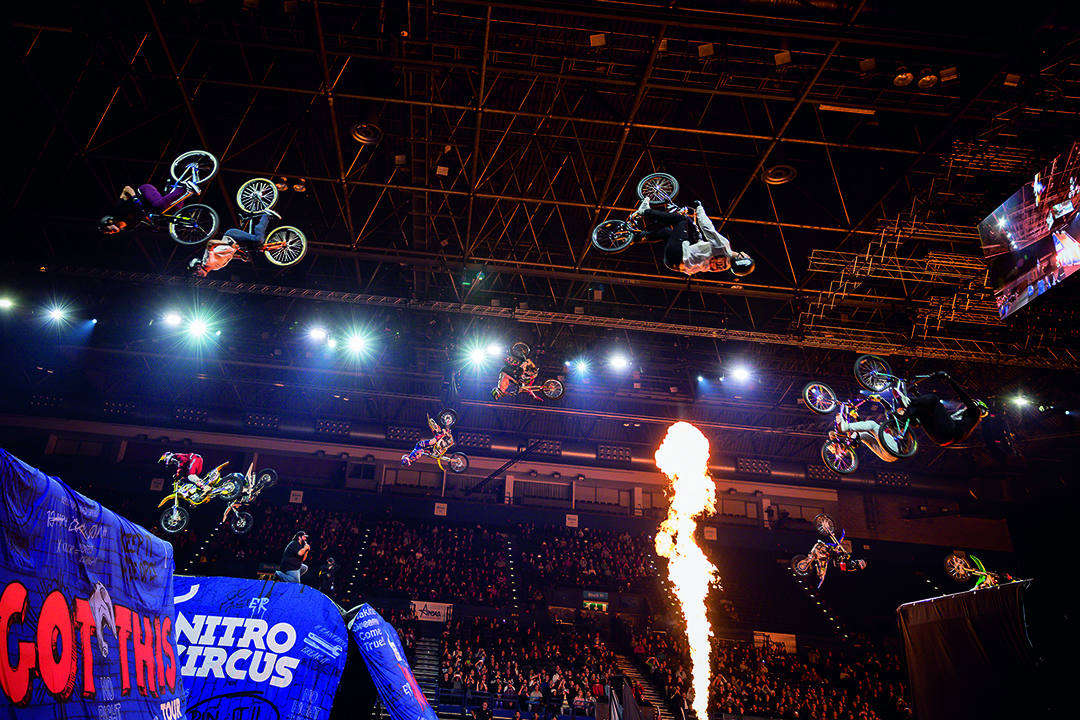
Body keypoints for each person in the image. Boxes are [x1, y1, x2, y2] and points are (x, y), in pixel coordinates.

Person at [631, 197, 755, 277]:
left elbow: (707, 227)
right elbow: (703, 258)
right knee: (667, 232)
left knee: (680, 220)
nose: (747, 254)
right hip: (673, 264)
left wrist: (699, 208)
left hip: (678, 255)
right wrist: (699, 241)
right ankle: (634, 238)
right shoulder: (723, 266)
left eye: (747, 256)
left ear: (741, 258)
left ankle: (645, 211)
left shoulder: (723, 246)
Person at [897, 371, 988, 447]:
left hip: (950, 434)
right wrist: (916, 393)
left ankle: (908, 402)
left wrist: (948, 378)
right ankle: (898, 427)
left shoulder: (976, 412)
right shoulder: (959, 419)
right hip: (939, 439)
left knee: (933, 399)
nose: (965, 406)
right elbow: (933, 412)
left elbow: (963, 395)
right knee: (920, 409)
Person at [189, 209, 280, 277]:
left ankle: (266, 215)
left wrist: (228, 244)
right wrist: (240, 257)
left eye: (196, 273)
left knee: (258, 239)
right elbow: (228, 255)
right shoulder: (215, 268)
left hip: (232, 236)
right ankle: (250, 220)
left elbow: (210, 243)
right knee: (259, 247)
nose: (197, 275)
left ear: (198, 266)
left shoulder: (207, 261)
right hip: (236, 244)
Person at [99, 179, 201, 234]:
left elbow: (126, 189)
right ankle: (185, 194)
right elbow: (142, 217)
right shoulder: (129, 227)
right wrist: (151, 223)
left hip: (144, 192)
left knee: (158, 206)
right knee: (168, 213)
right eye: (108, 233)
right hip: (150, 204)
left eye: (107, 230)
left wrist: (134, 198)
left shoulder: (118, 211)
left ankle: (185, 188)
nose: (109, 233)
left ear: (108, 221)